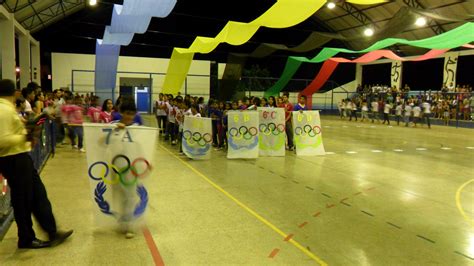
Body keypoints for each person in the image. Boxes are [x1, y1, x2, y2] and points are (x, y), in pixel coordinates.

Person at [0, 79, 73, 249]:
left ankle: (52, 231)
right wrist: (24, 136)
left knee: (38, 195)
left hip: (20, 158)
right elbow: (2, 139)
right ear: (14, 92)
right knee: (24, 201)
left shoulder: (6, 109)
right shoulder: (3, 110)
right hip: (13, 159)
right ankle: (26, 238)